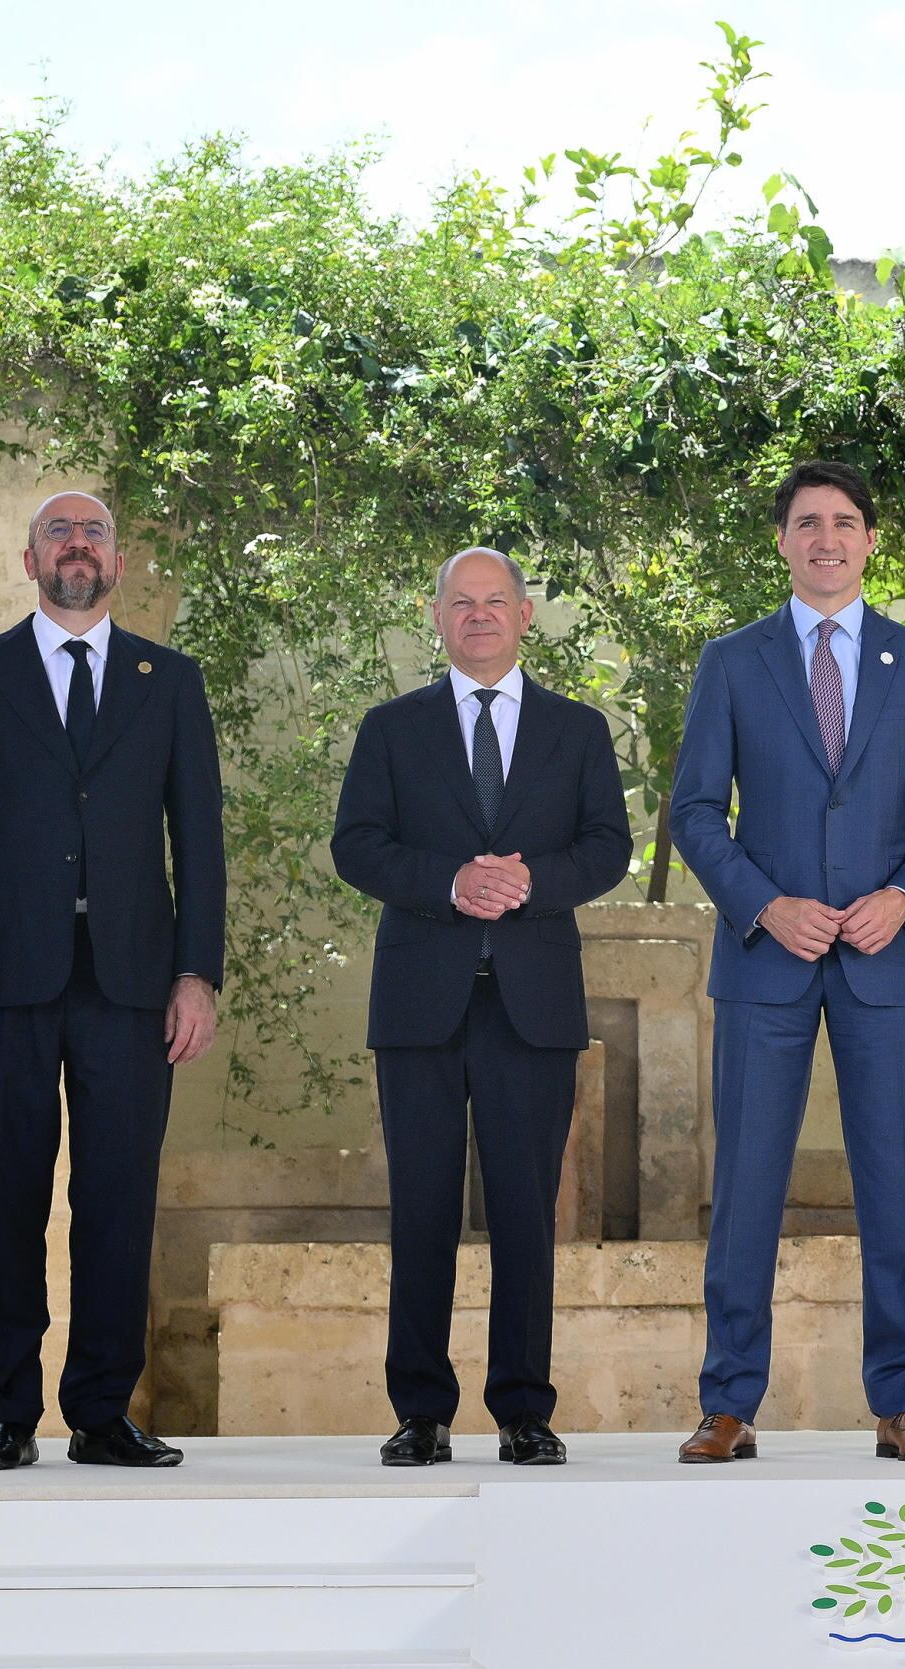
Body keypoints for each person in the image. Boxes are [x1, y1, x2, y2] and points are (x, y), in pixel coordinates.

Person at [0, 491, 224, 1471]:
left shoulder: (168, 681)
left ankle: (99, 1411)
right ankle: (8, 1409)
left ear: (117, 563)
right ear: (28, 558)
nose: (77, 546)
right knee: (5, 1193)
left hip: (133, 984)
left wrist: (196, 974)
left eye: (94, 534)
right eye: (59, 532)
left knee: (118, 1198)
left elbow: (199, 842)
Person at [669, 460, 905, 1465]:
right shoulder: (732, 660)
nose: (828, 538)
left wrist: (903, 897)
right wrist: (765, 903)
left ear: (871, 540)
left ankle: (901, 1402)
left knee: (894, 1184)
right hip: (767, 962)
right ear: (782, 540)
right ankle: (729, 1401)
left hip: (885, 962)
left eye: (845, 522)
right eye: (808, 523)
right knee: (748, 1183)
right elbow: (696, 812)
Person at [330, 548, 632, 1469]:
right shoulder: (392, 729)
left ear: (525, 615)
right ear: (437, 619)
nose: (479, 616)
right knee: (420, 1210)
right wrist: (451, 882)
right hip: (421, 1003)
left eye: (495, 601)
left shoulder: (577, 731)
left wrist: (531, 880)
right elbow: (357, 846)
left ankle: (523, 1411)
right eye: (461, 604)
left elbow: (608, 848)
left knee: (525, 1215)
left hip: (533, 1007)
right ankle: (421, 1411)